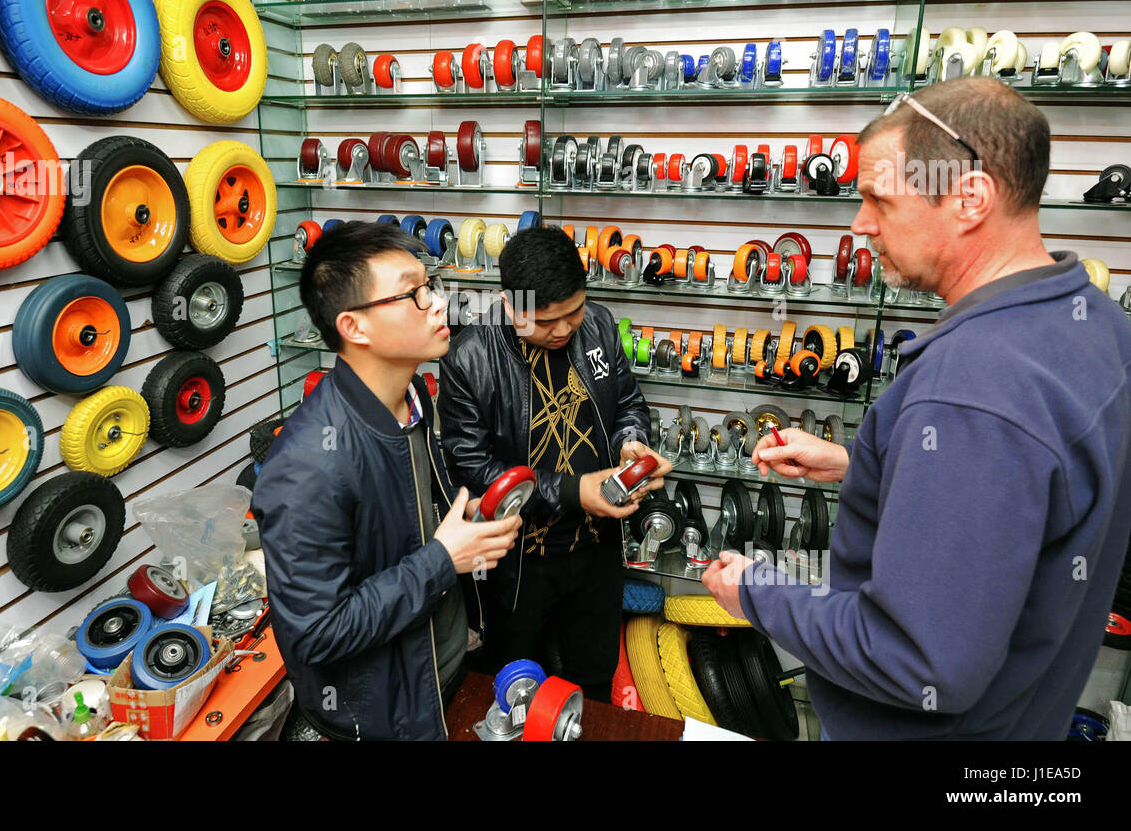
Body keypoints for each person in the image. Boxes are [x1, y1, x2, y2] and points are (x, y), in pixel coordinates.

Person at [702, 77, 1131, 740]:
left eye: (879, 198)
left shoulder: (971, 389)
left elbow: (920, 665)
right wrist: (864, 463)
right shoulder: (1096, 323)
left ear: (970, 199)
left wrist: (758, 593)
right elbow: (1025, 491)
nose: (859, 222)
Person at [254, 222, 521, 740]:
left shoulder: (416, 398)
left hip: (444, 680)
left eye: (433, 286)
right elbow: (316, 634)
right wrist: (445, 559)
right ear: (354, 327)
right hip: (381, 718)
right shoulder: (308, 464)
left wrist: (469, 531)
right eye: (414, 294)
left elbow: (407, 523)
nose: (440, 304)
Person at [438, 226, 671, 702]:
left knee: (594, 680)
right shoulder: (470, 358)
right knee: (512, 689)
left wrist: (632, 443)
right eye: (546, 321)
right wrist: (575, 491)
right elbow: (473, 471)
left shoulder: (599, 325)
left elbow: (628, 402)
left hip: (596, 551)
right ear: (510, 303)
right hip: (516, 565)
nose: (564, 329)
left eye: (574, 312)